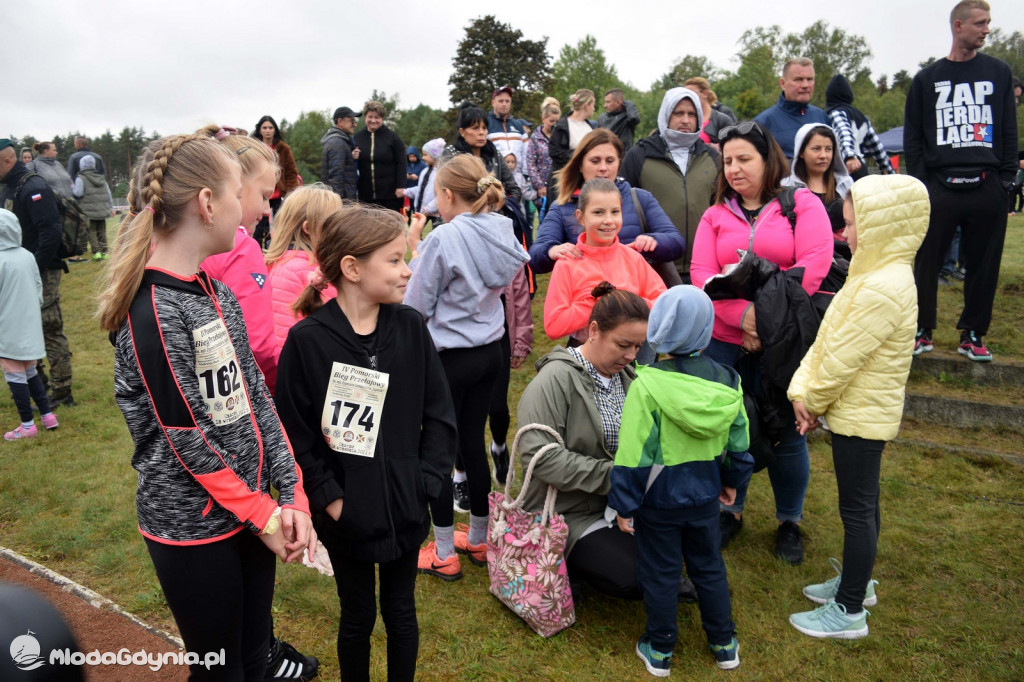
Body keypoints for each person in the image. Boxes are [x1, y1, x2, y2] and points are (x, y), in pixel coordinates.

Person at [96, 131, 315, 681]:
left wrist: (292, 492)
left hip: (247, 515)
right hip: (193, 530)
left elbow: (256, 398)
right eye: (240, 191)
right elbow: (185, 436)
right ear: (206, 203)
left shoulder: (214, 292)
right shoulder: (153, 311)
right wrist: (262, 511)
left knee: (254, 661)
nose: (251, 210)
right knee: (221, 672)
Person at [275, 203, 457, 681]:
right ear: (352, 269)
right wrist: (331, 500)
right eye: (395, 260)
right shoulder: (308, 342)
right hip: (348, 517)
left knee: (401, 612)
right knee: (357, 616)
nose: (407, 270)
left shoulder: (412, 329)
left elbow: (439, 416)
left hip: (407, 505)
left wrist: (427, 481)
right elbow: (294, 434)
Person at [787, 174, 929, 639]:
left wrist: (811, 400)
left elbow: (844, 359)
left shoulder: (883, 286)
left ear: (881, 227)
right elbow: (828, 340)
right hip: (855, 410)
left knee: (857, 510)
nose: (843, 234)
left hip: (863, 417)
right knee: (862, 506)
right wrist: (800, 389)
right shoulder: (869, 275)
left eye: (850, 225)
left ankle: (848, 611)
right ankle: (856, 582)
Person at [690, 121, 833, 565]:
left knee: (787, 432)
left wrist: (764, 320)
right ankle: (730, 509)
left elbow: (814, 263)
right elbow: (700, 276)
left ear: (767, 160)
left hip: (782, 342)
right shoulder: (715, 215)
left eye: (744, 159)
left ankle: (789, 521)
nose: (733, 169)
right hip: (724, 340)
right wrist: (741, 316)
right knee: (729, 429)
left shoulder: (800, 204)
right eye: (727, 161)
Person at [517, 283, 697, 604]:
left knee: (689, 536)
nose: (631, 356)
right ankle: (568, 562)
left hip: (619, 505)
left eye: (639, 347)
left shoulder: (629, 377)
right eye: (623, 344)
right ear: (594, 330)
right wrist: (620, 477)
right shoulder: (554, 381)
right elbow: (539, 459)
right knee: (636, 575)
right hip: (566, 511)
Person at [609, 285, 753, 675]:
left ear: (657, 328)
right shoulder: (729, 381)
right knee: (709, 567)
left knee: (661, 571)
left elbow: (633, 456)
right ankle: (724, 643)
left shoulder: (646, 386)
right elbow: (740, 443)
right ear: (707, 331)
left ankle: (659, 649)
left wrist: (625, 504)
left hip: (659, 502)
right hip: (706, 496)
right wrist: (733, 482)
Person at [404, 154, 529, 581]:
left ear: (445, 194)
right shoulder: (503, 227)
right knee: (472, 444)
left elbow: (416, 303)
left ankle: (442, 551)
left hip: (450, 356)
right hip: (490, 349)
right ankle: (477, 538)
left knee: (437, 451)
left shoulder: (445, 237)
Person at [904, 0, 1018, 362]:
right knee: (926, 261)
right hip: (940, 185)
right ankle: (922, 329)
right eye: (981, 23)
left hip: (987, 185)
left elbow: (1008, 131)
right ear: (958, 25)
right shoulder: (926, 79)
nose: (987, 29)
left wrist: (1004, 180)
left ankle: (972, 333)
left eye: (989, 23)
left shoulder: (999, 73)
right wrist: (923, 184)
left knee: (984, 264)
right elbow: (913, 137)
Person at [531, 128, 684, 276]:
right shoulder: (562, 207)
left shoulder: (640, 198)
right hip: (587, 294)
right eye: (595, 161)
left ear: (618, 164)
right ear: (580, 165)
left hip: (638, 294)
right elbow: (535, 257)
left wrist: (653, 242)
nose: (603, 168)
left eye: (610, 161)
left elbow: (676, 243)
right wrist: (551, 251)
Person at [199, 129, 282, 394]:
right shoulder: (241, 247)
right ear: (235, 184)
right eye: (264, 196)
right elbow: (256, 345)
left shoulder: (171, 240)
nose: (268, 209)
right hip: (237, 396)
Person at [543, 178, 665, 341]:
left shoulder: (633, 258)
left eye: (615, 212)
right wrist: (598, 304)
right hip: (587, 358)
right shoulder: (568, 264)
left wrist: (628, 305)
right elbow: (554, 325)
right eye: (598, 212)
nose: (608, 220)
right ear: (581, 217)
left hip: (636, 355)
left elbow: (663, 303)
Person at [0, 140, 75, 409]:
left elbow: (50, 232)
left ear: (8, 160)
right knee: (22, 327)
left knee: (49, 326)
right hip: (18, 271)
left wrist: (33, 265)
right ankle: (38, 386)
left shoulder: (33, 186)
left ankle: (62, 391)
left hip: (42, 268)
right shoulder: (9, 186)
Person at [622, 87, 720, 283]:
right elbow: (624, 207)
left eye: (692, 114)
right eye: (678, 113)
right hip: (654, 265)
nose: (685, 120)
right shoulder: (639, 155)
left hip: (703, 266)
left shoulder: (713, 158)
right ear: (666, 114)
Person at [0, 209, 58, 440]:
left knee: (13, 371)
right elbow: (38, 289)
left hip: (7, 325)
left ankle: (27, 425)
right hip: (30, 323)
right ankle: (47, 415)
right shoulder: (27, 255)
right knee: (30, 369)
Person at [266, 184, 343, 354]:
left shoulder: (319, 265)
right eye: (334, 223)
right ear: (308, 228)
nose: (341, 229)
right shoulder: (291, 271)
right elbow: (285, 336)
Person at [442, 102, 522, 204]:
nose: (481, 132)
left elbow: (514, 188)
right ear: (462, 132)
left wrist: (502, 206)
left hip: (494, 216)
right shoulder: (451, 154)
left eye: (484, 128)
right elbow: (442, 190)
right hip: (460, 216)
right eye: (475, 128)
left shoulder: (494, 154)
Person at [782, 123, 853, 236]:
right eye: (816, 149)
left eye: (828, 149)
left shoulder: (846, 184)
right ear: (801, 152)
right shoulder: (786, 187)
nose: (823, 155)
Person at [755, 58, 829, 160]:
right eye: (798, 79)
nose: (805, 85)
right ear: (782, 84)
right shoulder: (764, 123)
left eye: (810, 79)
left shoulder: (822, 117)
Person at [825, 75, 895, 180]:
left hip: (844, 168)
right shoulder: (862, 117)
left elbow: (844, 133)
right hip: (861, 168)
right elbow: (877, 147)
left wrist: (849, 156)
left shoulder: (837, 113)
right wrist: (889, 171)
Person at [252, 115, 301, 248]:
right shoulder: (253, 148)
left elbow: (291, 172)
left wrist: (292, 193)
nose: (268, 130)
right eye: (265, 127)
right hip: (259, 194)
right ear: (260, 130)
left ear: (275, 130)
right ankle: (256, 253)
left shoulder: (284, 149)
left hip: (278, 194)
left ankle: (275, 252)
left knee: (280, 226)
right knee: (258, 227)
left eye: (270, 127)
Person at [355, 101, 407, 213]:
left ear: (382, 118)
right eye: (370, 117)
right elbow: (352, 164)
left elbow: (402, 163)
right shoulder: (358, 138)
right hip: (366, 195)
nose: (373, 120)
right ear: (365, 117)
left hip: (390, 195)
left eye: (377, 117)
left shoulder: (393, 138)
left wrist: (400, 186)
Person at [548, 89, 598, 202]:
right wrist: (578, 155)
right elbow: (553, 151)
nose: (594, 109)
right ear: (587, 105)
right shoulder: (561, 126)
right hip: (563, 179)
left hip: (584, 180)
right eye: (593, 105)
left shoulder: (591, 127)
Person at [71, 154, 113, 260]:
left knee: (92, 231)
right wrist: (110, 207)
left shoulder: (81, 178)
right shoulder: (101, 177)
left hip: (88, 211)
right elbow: (108, 194)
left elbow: (79, 193)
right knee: (102, 231)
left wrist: (72, 188)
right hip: (102, 210)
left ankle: (97, 252)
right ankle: (105, 252)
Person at [526, 97, 561, 218]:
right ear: (543, 119)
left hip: (559, 185)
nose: (554, 125)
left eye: (557, 121)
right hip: (543, 188)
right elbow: (531, 164)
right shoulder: (535, 139)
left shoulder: (561, 137)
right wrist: (539, 185)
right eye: (551, 121)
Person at [398, 138, 444, 222]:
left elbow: (441, 196)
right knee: (415, 233)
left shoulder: (441, 173)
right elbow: (420, 189)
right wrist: (405, 192)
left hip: (435, 214)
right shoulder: (425, 172)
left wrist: (428, 209)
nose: (423, 157)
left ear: (434, 155)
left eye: (425, 155)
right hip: (421, 211)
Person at [321, 106, 360, 201]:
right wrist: (338, 203)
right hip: (341, 202)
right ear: (340, 121)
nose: (355, 124)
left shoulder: (339, 141)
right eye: (351, 120)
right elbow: (336, 177)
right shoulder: (337, 143)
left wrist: (350, 157)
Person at [682, 77, 737, 145]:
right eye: (685, 94)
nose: (688, 97)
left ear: (705, 93)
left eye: (692, 93)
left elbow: (734, 145)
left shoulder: (722, 120)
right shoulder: (685, 120)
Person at [487, 86, 529, 169]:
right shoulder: (485, 124)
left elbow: (526, 153)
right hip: (493, 176)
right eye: (500, 101)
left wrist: (525, 174)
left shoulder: (518, 125)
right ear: (493, 103)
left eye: (507, 101)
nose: (504, 104)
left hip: (517, 178)